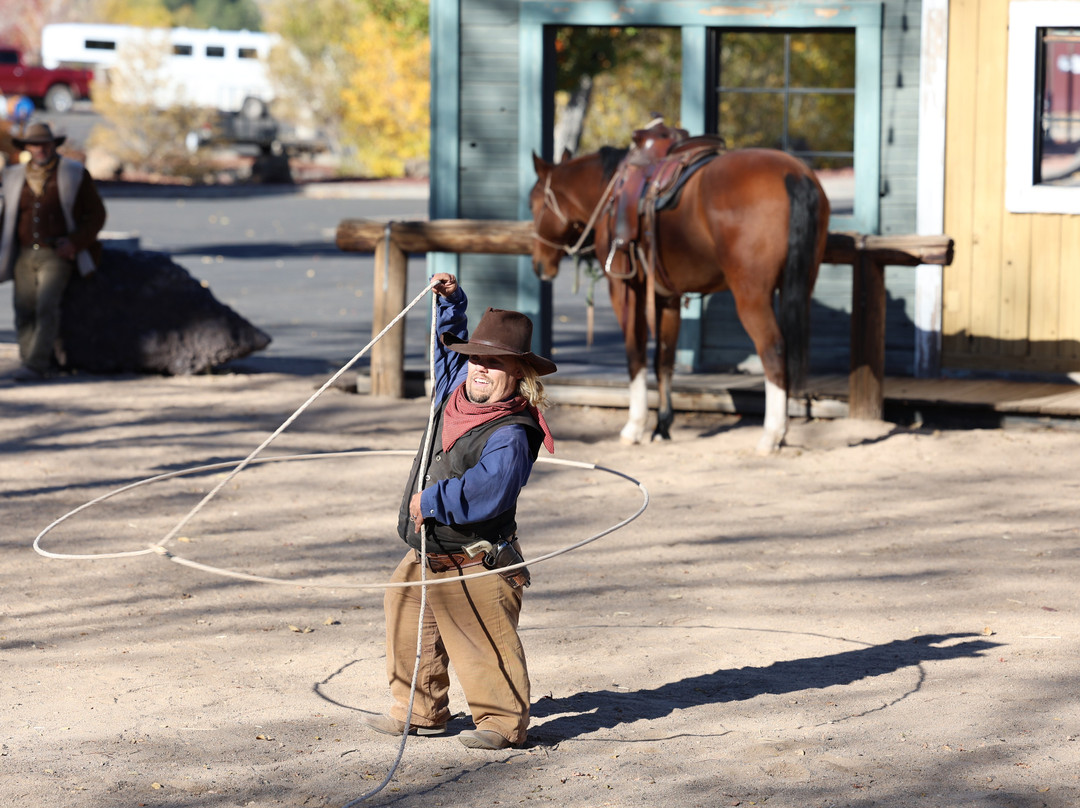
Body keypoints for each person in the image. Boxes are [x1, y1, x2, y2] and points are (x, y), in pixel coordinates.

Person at [365, 272, 557, 751]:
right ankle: (420, 710)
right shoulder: (453, 386)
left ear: (519, 373)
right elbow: (446, 345)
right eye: (477, 360)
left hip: (477, 558)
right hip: (427, 548)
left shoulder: (512, 432)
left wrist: (431, 500)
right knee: (407, 618)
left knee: (483, 641)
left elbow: (489, 490)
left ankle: (502, 722)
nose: (481, 370)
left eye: (495, 363)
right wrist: (451, 302)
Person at [0, 121, 106, 381]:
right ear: (27, 147)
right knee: (24, 308)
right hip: (24, 252)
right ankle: (28, 359)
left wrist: (75, 242)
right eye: (34, 144)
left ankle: (36, 365)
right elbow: (6, 217)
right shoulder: (13, 176)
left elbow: (96, 214)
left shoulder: (73, 172)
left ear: (53, 145)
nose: (40, 149)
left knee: (47, 305)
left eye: (45, 144)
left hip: (56, 253)